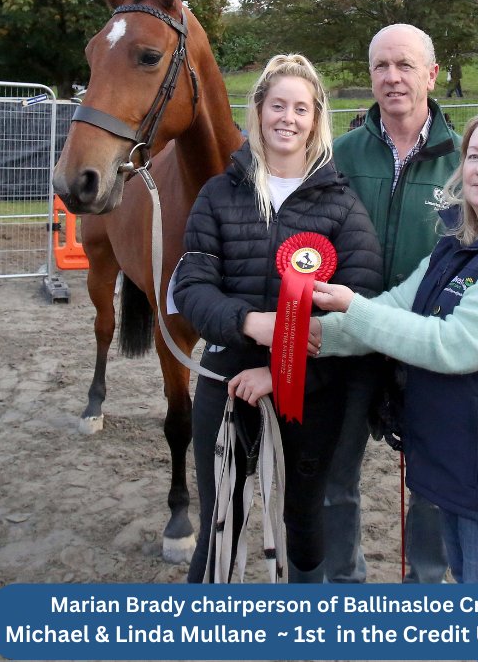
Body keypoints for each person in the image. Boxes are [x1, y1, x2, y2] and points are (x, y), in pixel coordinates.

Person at [310, 107, 478, 586]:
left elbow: (453, 345)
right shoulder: (455, 244)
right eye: (474, 155)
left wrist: (352, 307)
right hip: (451, 454)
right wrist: (299, 337)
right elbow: (397, 305)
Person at [172, 54, 383, 584]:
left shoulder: (342, 208)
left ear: (316, 120)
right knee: (222, 517)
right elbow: (192, 287)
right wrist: (251, 324)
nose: (288, 118)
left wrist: (283, 372)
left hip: (310, 393)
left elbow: (361, 310)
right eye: (278, 105)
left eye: (302, 109)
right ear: (259, 111)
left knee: (305, 524)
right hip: (226, 383)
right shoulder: (218, 195)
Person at [326, 24, 462, 585]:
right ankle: (342, 586)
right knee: (335, 477)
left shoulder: (465, 159)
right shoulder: (339, 154)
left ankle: (425, 589)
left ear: (431, 74)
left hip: (425, 343)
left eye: (405, 65)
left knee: (433, 486)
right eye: (381, 66)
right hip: (350, 339)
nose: (392, 77)